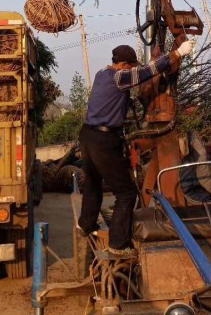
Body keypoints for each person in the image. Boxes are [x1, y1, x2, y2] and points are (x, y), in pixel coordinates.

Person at [77, 39, 194, 257]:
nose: (132, 70)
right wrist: (177, 53)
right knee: (126, 193)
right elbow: (145, 73)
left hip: (88, 136)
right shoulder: (120, 76)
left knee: (93, 182)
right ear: (123, 64)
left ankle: (86, 224)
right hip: (103, 140)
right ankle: (118, 245)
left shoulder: (102, 73)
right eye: (131, 66)